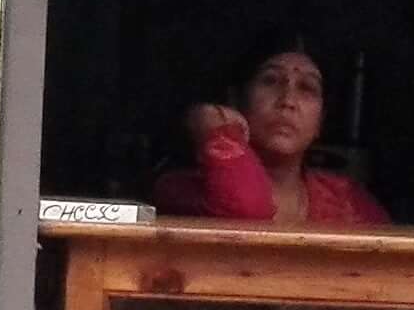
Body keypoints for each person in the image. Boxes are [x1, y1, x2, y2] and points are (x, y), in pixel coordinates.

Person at [154, 42, 389, 227]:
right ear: (237, 100)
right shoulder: (183, 188)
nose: (287, 101)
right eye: (271, 81)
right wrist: (212, 123)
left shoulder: (348, 203)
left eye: (307, 88)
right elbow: (246, 209)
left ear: (321, 122)